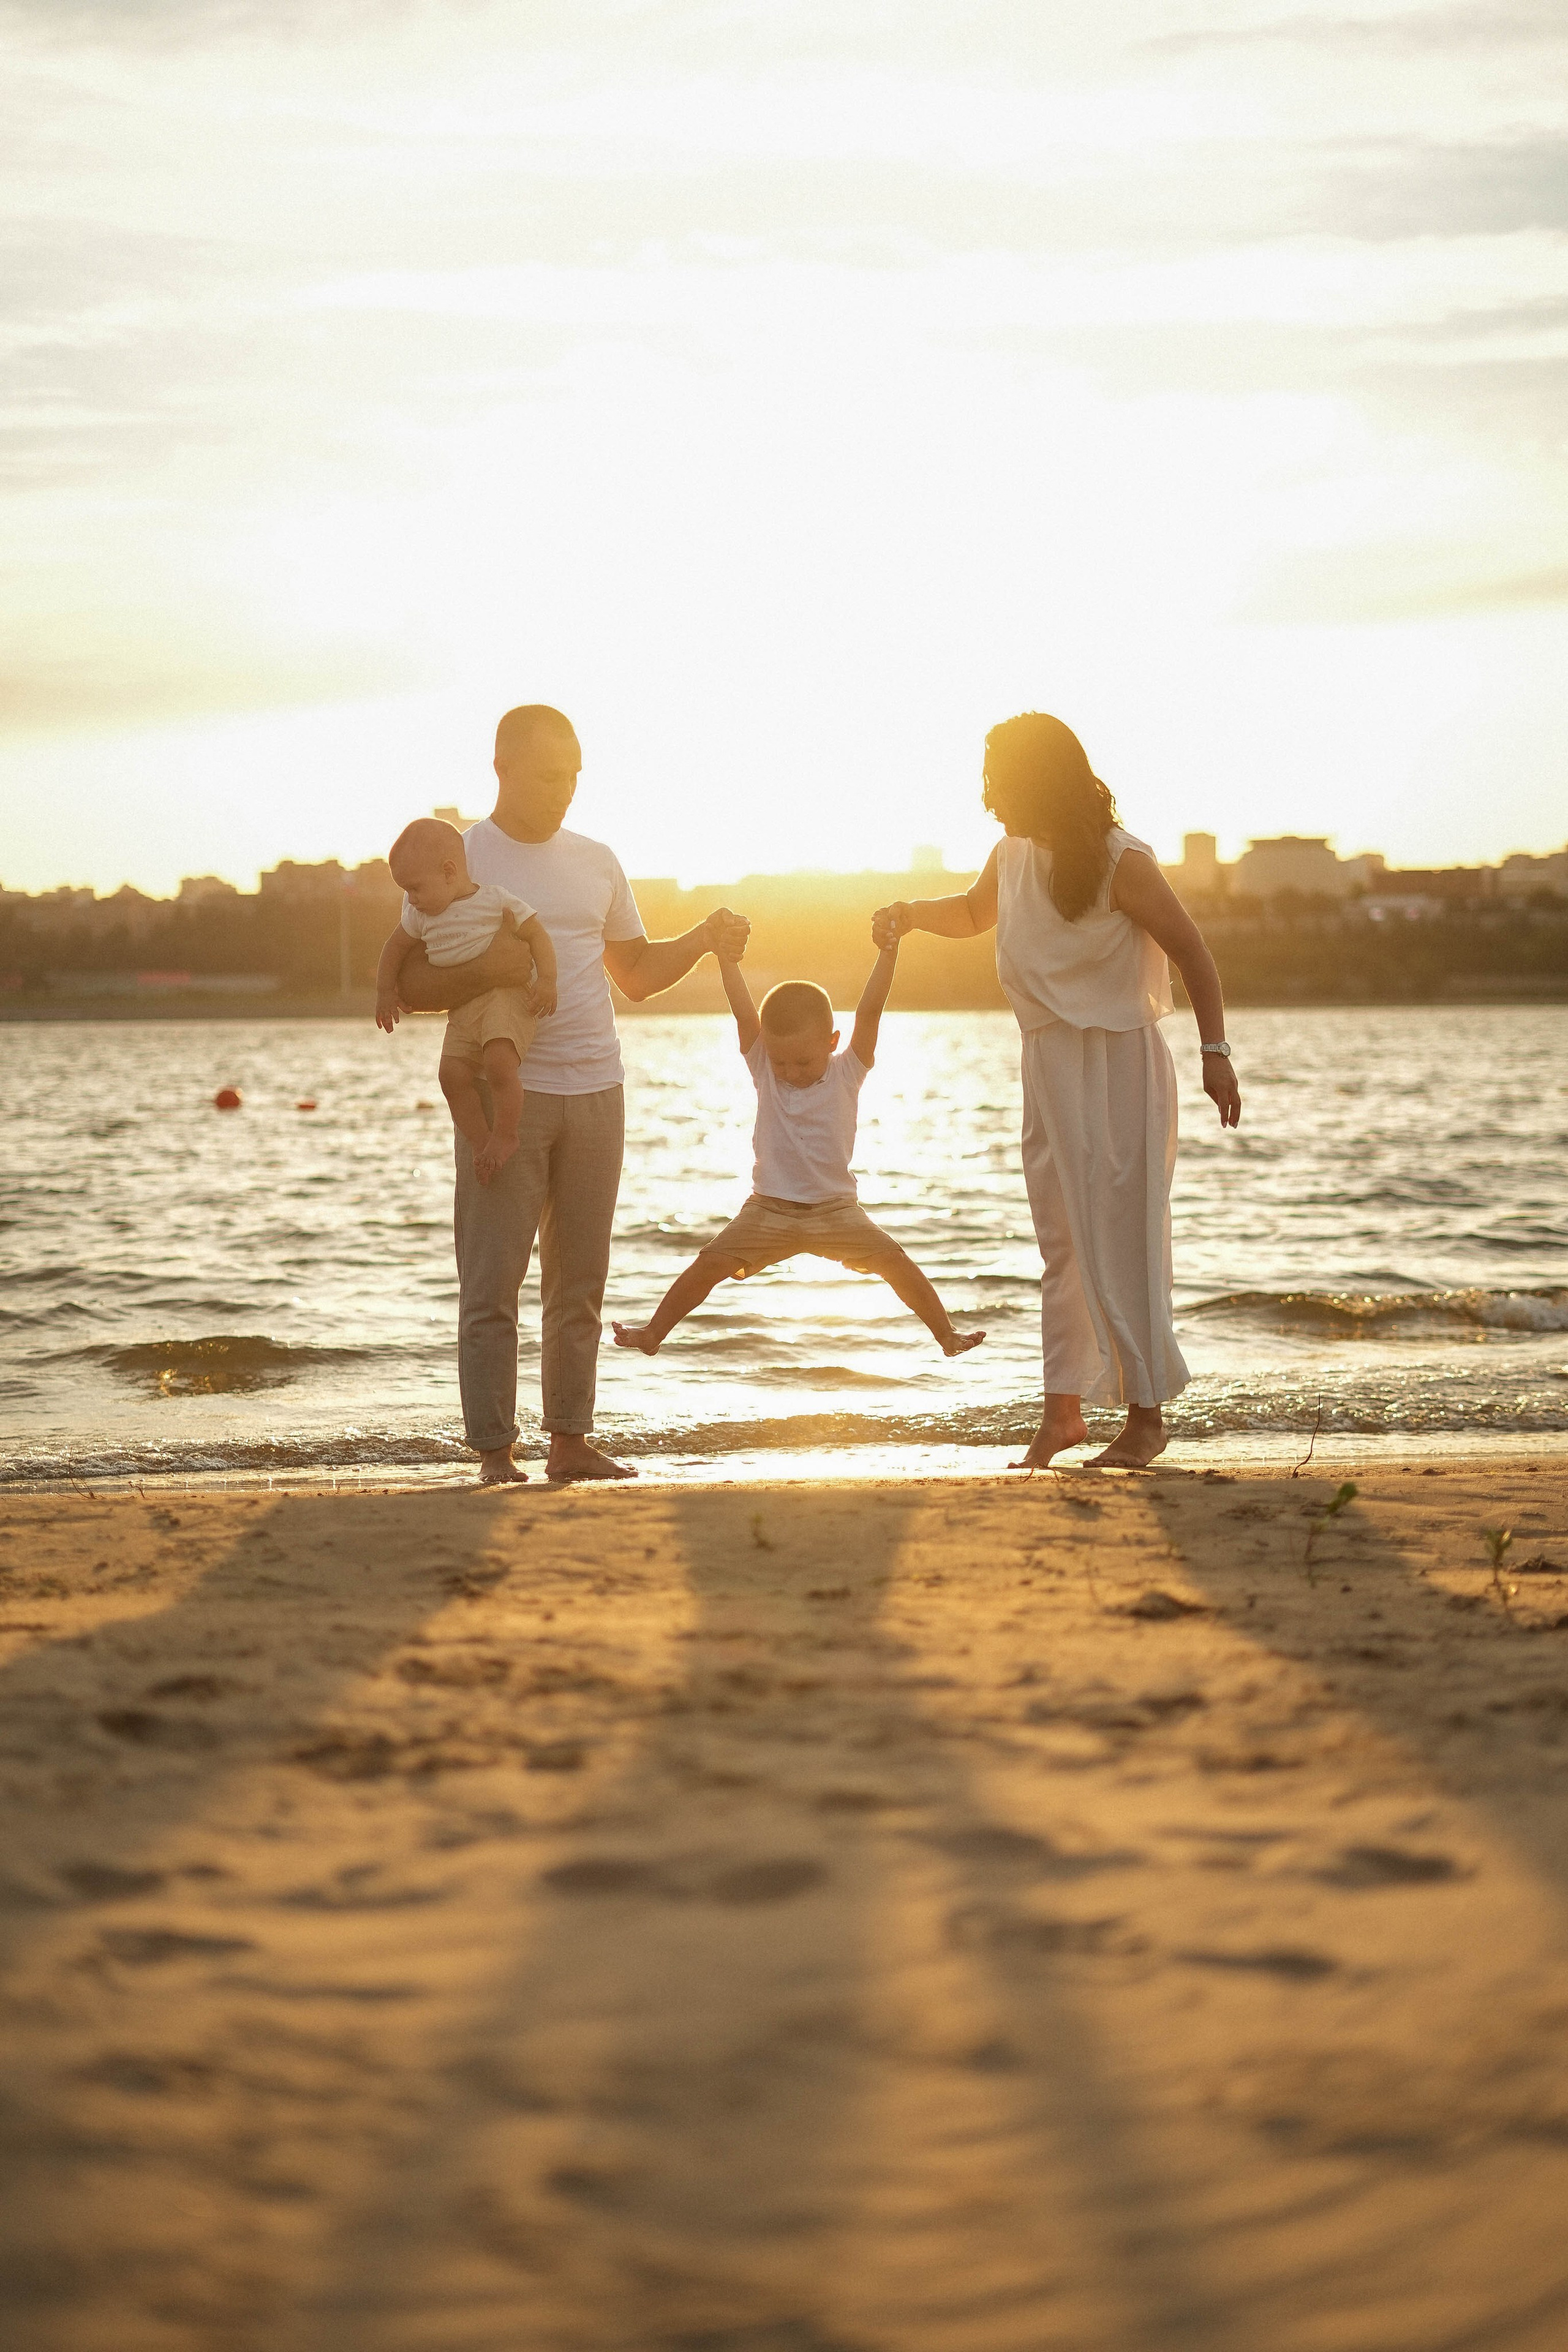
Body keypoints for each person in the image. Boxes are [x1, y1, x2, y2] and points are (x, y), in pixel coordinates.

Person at [393, 704, 750, 1485]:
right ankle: (494, 1453)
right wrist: (490, 972)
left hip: (598, 1087)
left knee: (579, 1282)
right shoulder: (459, 859)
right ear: (503, 769)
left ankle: (570, 1442)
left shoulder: (597, 860)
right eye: (550, 775)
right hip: (504, 1096)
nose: (565, 791)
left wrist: (700, 938)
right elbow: (412, 977)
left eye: (575, 776)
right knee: (492, 1283)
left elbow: (638, 976)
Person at [874, 711, 1240, 1471]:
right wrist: (909, 915)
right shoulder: (1009, 856)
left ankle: (1145, 1419)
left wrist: (1216, 1053)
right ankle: (1062, 1413)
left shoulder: (1120, 860)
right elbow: (975, 914)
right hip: (1047, 1063)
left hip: (1119, 1067)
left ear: (1036, 781)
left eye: (998, 783)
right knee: (1063, 1244)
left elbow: (1192, 953)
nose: (988, 800)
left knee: (1125, 1236)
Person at [611, 934, 985, 1360]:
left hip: (836, 1211)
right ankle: (653, 1333)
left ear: (832, 1041)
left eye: (803, 1062)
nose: (790, 1072)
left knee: (896, 1263)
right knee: (708, 1265)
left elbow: (870, 1011)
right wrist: (725, 958)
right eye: (780, 1061)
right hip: (768, 1209)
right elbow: (743, 1013)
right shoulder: (764, 1067)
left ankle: (947, 1335)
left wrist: (888, 950)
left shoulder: (848, 1070)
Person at [375, 817, 558, 1185]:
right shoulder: (419, 915)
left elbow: (537, 934)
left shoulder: (494, 900)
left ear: (448, 872)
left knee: (499, 1064)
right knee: (451, 1075)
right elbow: (393, 950)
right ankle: (481, 1143)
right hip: (462, 1009)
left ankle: (506, 1133)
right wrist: (385, 992)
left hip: (504, 1000)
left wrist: (549, 980)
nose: (411, 899)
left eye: (415, 888)